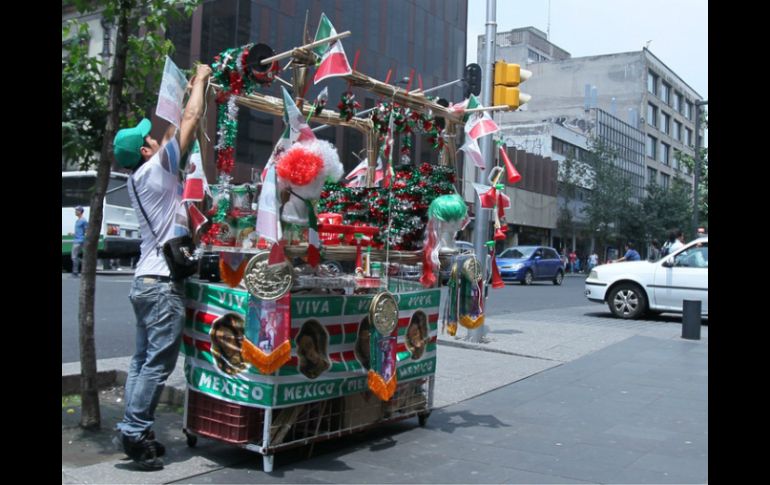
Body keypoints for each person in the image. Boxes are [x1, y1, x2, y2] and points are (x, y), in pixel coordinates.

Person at [112, 63, 212, 470]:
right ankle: (136, 432)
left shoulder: (141, 177)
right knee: (156, 364)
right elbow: (187, 121)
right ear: (144, 151)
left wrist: (188, 89)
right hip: (160, 284)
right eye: (148, 138)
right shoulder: (158, 171)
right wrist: (203, 79)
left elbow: (174, 130)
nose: (155, 137)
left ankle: (131, 426)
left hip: (143, 281)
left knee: (140, 361)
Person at [71, 205, 87, 277]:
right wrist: (73, 234)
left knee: (74, 257)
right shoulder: (78, 220)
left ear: (80, 212)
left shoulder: (83, 220)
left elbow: (86, 230)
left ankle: (76, 272)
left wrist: (84, 238)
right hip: (77, 240)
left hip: (79, 241)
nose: (75, 212)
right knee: (75, 257)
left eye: (77, 210)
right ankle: (79, 270)